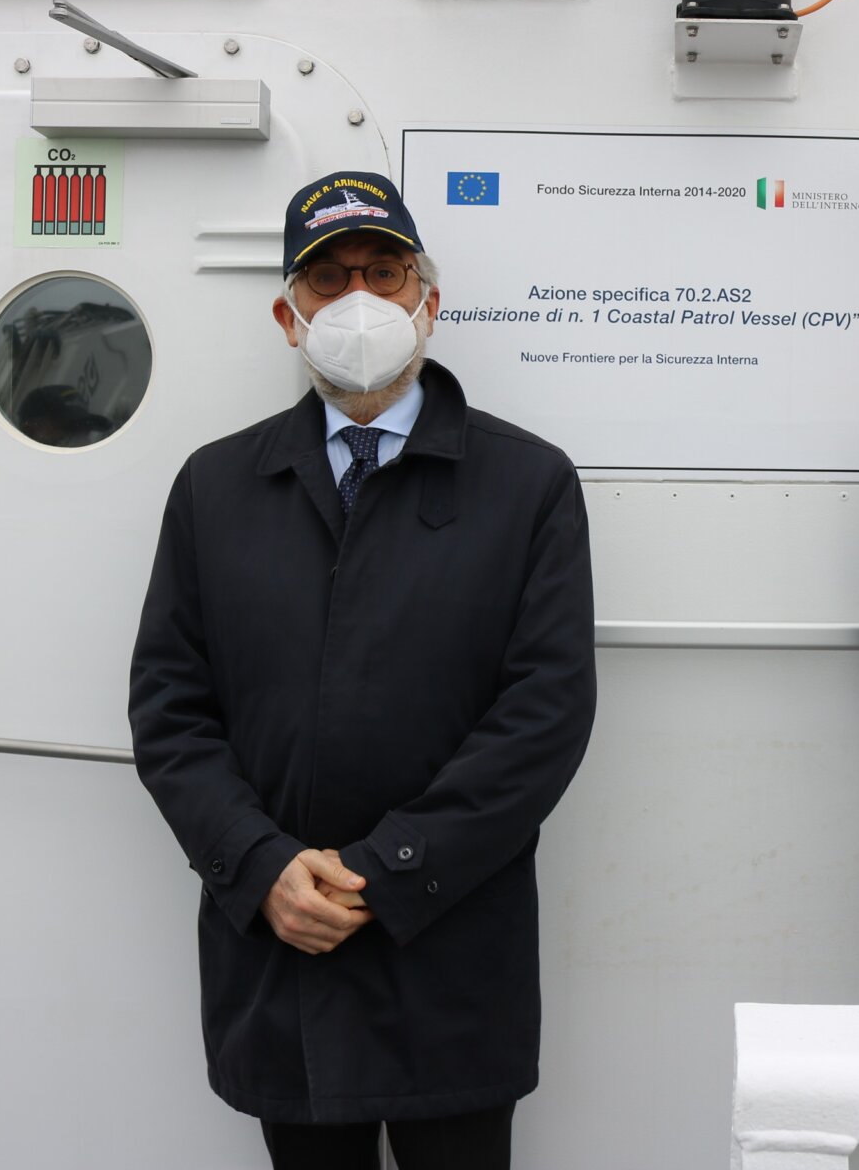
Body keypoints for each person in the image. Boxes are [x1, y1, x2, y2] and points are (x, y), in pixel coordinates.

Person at [130, 171, 596, 1170]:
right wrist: (260, 869)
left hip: (450, 946)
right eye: (329, 279)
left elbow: (544, 714)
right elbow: (171, 712)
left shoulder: (528, 485)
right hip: (280, 945)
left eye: (383, 272)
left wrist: (390, 871)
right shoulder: (217, 487)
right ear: (287, 315)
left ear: (430, 299)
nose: (358, 300)